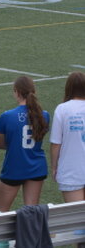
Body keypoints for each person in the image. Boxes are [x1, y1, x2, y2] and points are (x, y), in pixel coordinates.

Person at [0, 76, 50, 212]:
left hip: (14, 166)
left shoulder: (7, 116)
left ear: (17, 92)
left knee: (0, 211)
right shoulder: (44, 115)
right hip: (37, 166)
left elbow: (1, 144)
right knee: (32, 212)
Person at [50, 71, 85, 204]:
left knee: (76, 215)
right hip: (71, 171)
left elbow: (56, 143)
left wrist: (54, 167)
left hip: (71, 171)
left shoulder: (62, 109)